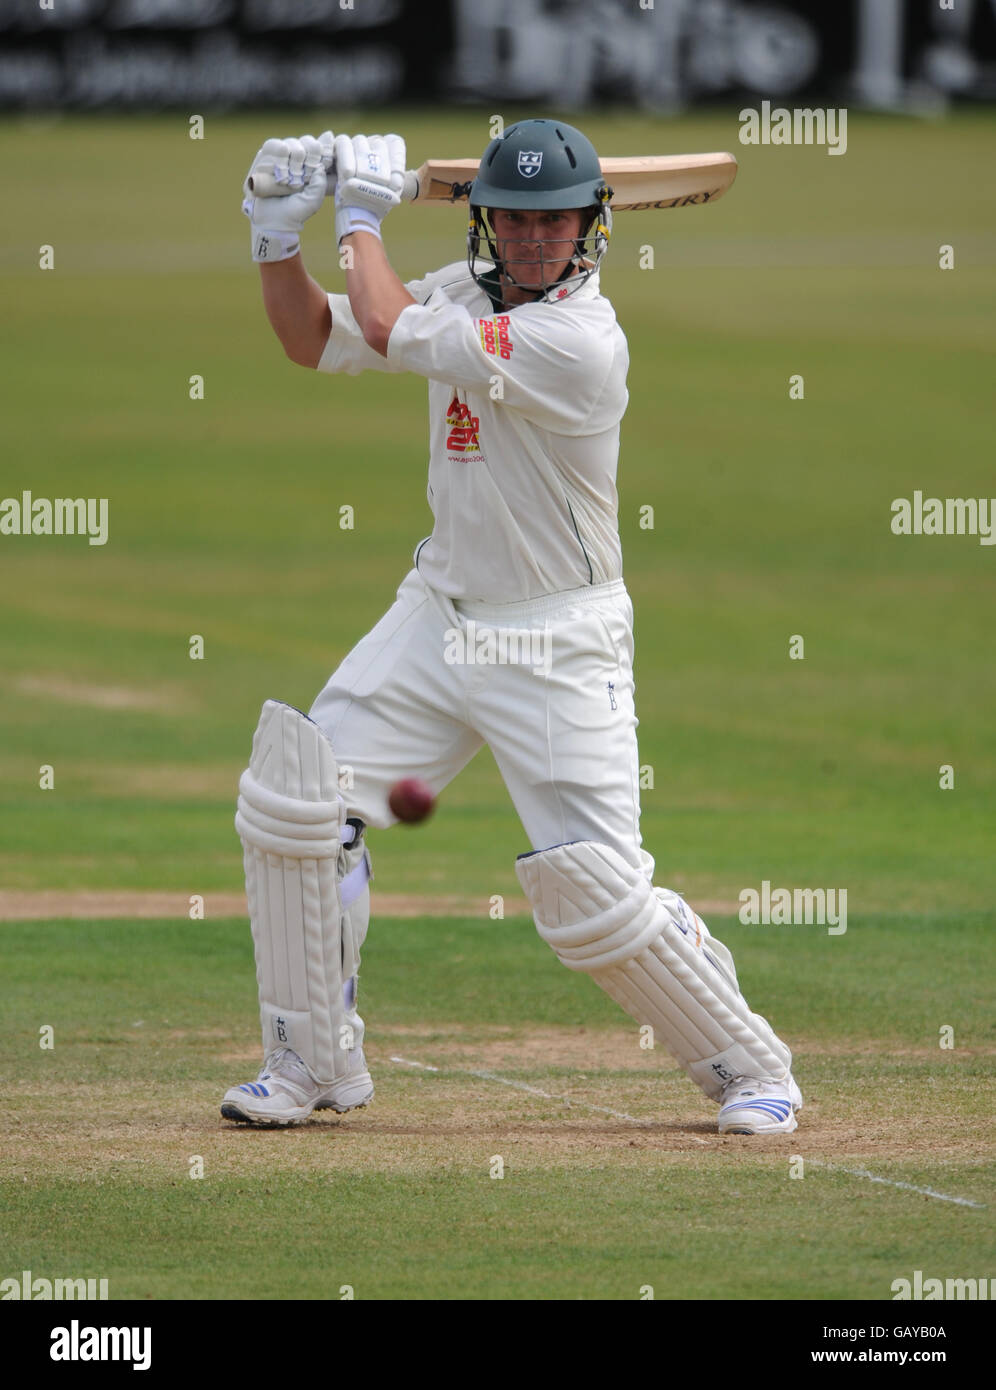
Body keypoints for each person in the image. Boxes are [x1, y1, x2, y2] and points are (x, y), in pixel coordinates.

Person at [222, 119, 802, 1136]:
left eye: (558, 219)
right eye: (518, 219)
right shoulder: (457, 290)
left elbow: (391, 323)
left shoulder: (581, 340)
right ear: (488, 220)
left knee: (596, 901)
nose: (537, 239)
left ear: (592, 227)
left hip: (557, 640)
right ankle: (313, 1062)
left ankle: (752, 1067)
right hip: (440, 613)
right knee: (296, 804)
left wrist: (357, 214)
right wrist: (276, 228)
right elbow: (311, 336)